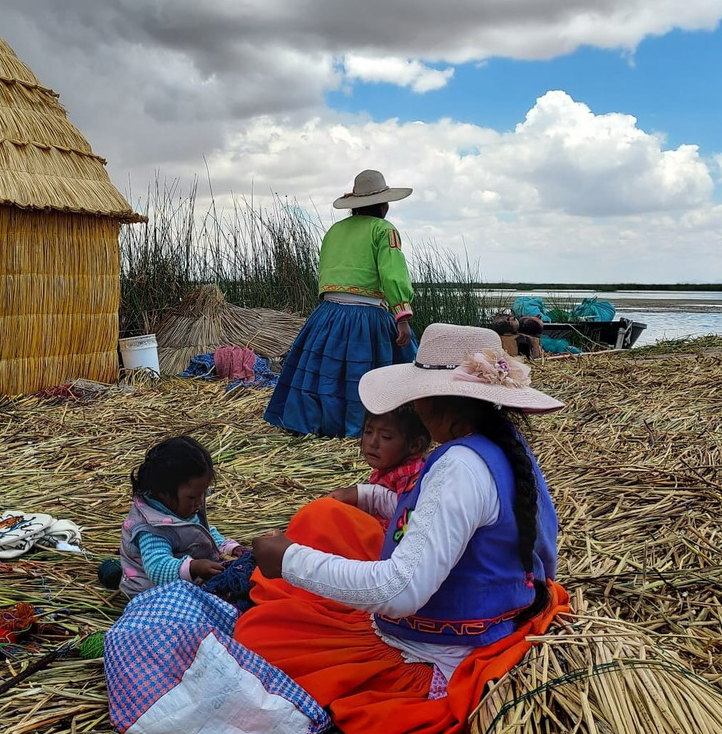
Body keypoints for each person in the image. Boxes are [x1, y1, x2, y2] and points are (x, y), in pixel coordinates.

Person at [236, 323, 570, 734]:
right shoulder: (502, 446)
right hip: (499, 611)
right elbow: (461, 523)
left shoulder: (459, 467)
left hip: (438, 649)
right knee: (324, 524)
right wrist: (368, 497)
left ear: (437, 401)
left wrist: (289, 560)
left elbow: (399, 592)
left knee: (262, 636)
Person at [264, 169, 418, 438]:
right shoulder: (384, 230)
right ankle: (369, 425)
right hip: (367, 316)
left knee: (326, 372)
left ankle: (314, 423)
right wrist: (401, 316)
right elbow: (392, 274)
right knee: (371, 372)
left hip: (328, 315)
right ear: (384, 204)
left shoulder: (335, 230)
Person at [118, 435, 246, 598]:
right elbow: (158, 569)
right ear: (163, 492)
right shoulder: (153, 528)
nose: (199, 502)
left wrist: (230, 547)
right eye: (193, 497)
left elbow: (202, 532)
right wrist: (193, 567)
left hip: (183, 579)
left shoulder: (180, 508)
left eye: (203, 493)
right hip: (153, 593)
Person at [358, 405, 431, 529]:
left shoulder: (410, 475)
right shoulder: (390, 467)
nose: (372, 443)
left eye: (386, 437)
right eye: (368, 432)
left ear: (415, 445)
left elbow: (405, 512)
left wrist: (362, 495)